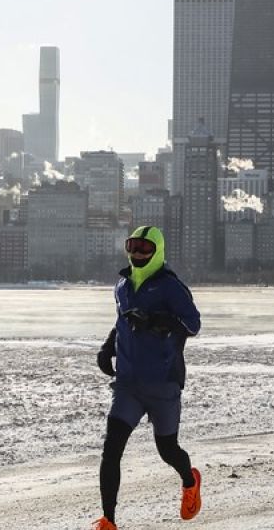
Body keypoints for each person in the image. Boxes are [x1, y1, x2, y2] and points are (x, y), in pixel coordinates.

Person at [92, 225, 202, 530]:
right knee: (111, 449)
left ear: (158, 251)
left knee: (167, 450)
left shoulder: (170, 287)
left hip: (163, 383)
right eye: (133, 247)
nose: (137, 253)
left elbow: (193, 324)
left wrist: (160, 320)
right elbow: (122, 322)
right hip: (128, 384)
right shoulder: (122, 286)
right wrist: (107, 347)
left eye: (144, 248)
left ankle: (190, 480)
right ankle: (108, 521)